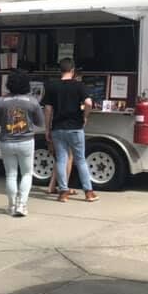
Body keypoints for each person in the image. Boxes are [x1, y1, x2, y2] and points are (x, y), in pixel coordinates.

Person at [43, 58, 97, 202]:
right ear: (72, 71)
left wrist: (47, 128)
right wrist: (85, 116)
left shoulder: (52, 86)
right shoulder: (79, 86)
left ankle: (63, 192)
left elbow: (48, 109)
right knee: (80, 160)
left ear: (60, 70)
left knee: (61, 159)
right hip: (75, 128)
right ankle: (89, 192)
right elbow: (88, 103)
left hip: (58, 128)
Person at [0, 71, 44, 216]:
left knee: (11, 175)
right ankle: (22, 205)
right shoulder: (32, 101)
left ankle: (12, 205)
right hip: (26, 141)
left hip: (6, 141)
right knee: (26, 173)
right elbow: (40, 122)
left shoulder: (0, 101)